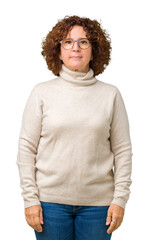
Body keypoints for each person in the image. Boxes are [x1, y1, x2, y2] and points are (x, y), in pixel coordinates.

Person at [16, 15, 133, 240]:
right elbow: (26, 149)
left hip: (99, 207)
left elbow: (123, 152)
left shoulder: (111, 95)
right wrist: (30, 200)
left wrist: (119, 200)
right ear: (58, 51)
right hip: (50, 206)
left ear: (93, 49)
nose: (75, 48)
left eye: (83, 41)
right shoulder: (41, 93)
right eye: (67, 42)